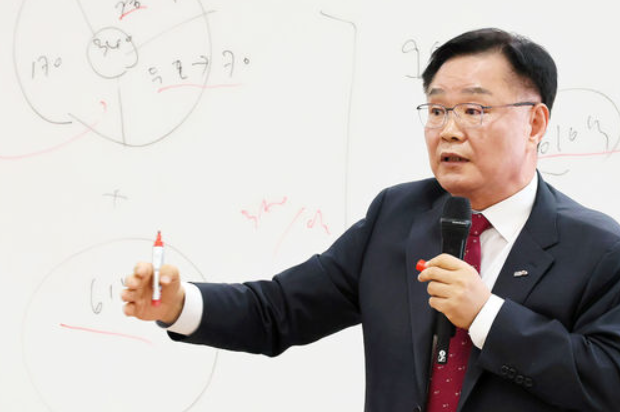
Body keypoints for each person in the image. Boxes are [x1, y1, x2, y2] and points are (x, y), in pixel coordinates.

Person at [121, 28, 620, 411]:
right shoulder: (397, 217)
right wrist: (179, 304)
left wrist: (486, 316)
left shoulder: (599, 249)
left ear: (535, 123)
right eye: (437, 110)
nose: (449, 131)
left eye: (473, 110)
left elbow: (608, 384)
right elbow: (278, 310)